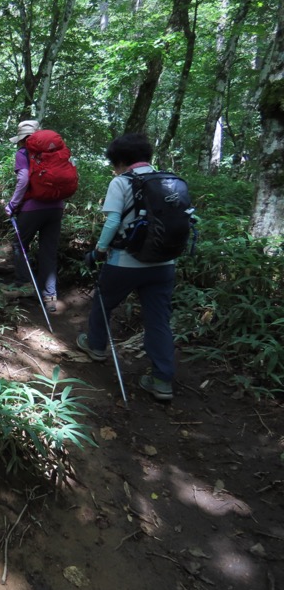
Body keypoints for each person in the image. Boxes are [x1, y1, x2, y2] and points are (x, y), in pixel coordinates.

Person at [77, 133, 176, 401]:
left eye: (114, 162)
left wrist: (98, 251)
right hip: (165, 264)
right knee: (158, 321)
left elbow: (112, 223)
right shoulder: (169, 181)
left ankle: (96, 347)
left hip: (126, 262)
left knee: (103, 301)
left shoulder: (121, 182)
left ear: (121, 160)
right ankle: (162, 380)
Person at [4, 120, 65, 312]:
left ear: (22, 139)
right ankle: (50, 297)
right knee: (48, 250)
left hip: (32, 208)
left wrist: (12, 204)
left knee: (19, 245)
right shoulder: (54, 153)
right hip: (56, 207)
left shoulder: (23, 153)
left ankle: (24, 284)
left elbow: (23, 179)